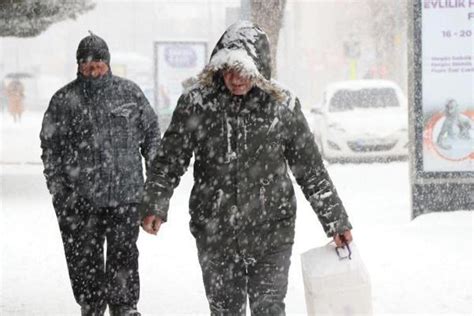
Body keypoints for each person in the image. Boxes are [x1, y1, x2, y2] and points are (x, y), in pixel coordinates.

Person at [140, 21, 352, 315]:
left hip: (272, 232)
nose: (235, 79)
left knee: (269, 309)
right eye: (228, 70)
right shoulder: (197, 103)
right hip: (216, 232)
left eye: (243, 71)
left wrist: (335, 221)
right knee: (226, 311)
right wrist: (155, 203)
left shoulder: (283, 106)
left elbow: (311, 170)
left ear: (259, 69)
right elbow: (169, 160)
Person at [40, 32, 160, 316]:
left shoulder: (129, 94)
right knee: (85, 266)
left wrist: (154, 185)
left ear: (108, 64)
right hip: (81, 202)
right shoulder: (64, 101)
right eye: (88, 67)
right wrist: (59, 190)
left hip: (125, 196)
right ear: (79, 66)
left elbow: (152, 136)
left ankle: (124, 308)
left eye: (99, 66)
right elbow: (50, 149)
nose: (94, 72)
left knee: (124, 260)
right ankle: (91, 307)